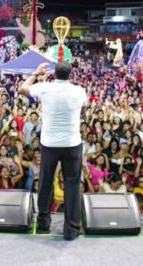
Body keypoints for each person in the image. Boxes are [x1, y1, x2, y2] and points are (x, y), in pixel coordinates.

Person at [19, 61, 87, 241]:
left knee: (46, 182)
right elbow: (83, 108)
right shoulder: (79, 91)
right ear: (70, 74)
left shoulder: (45, 87)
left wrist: (36, 73)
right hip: (72, 143)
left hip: (49, 144)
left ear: (54, 73)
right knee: (72, 185)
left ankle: (43, 224)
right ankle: (72, 229)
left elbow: (22, 89)